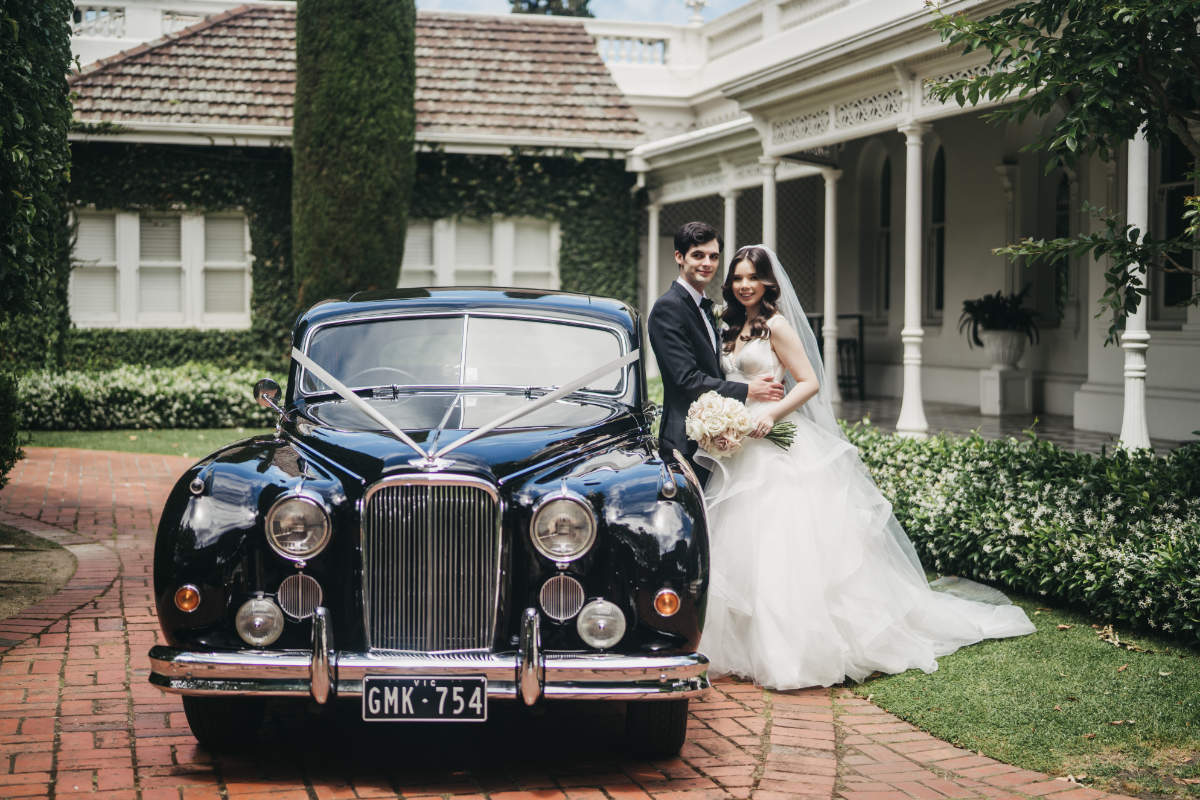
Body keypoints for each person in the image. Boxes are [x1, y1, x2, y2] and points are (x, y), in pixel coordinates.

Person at [698, 245, 1035, 690]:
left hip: (778, 442)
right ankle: (739, 644)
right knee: (740, 544)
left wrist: (769, 416)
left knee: (784, 543)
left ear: (767, 283)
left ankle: (794, 648)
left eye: (751, 278)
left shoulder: (776, 325)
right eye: (738, 278)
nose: (744, 285)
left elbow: (810, 382)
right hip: (742, 448)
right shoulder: (732, 327)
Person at [647, 222, 784, 481]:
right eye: (698, 255)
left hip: (718, 438)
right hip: (685, 441)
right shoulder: (668, 308)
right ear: (679, 257)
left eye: (713, 256)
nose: (707, 263)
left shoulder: (707, 309)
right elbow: (686, 379)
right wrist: (748, 390)